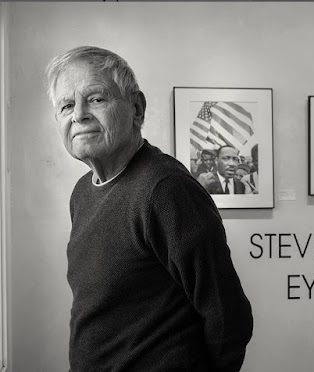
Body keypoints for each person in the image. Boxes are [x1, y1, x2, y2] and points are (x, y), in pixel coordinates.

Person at [45, 46, 253, 372]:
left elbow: (228, 316)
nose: (79, 114)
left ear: (137, 109)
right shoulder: (82, 193)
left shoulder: (166, 190)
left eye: (96, 98)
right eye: (66, 105)